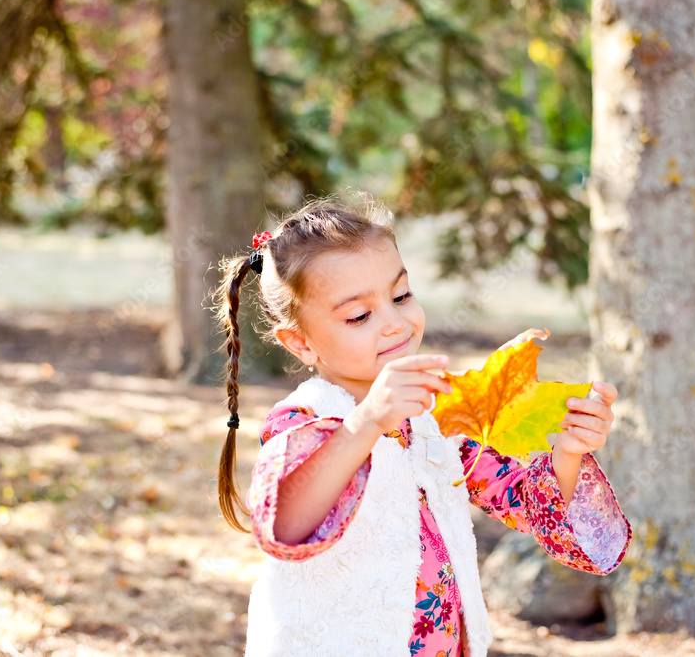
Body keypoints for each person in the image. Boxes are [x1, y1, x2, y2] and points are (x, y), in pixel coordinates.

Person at [213, 195, 632, 657]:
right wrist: (369, 420)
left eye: (401, 295)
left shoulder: (436, 420)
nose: (395, 323)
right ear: (301, 343)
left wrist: (567, 451)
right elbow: (284, 527)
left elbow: (528, 502)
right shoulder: (306, 419)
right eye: (359, 316)